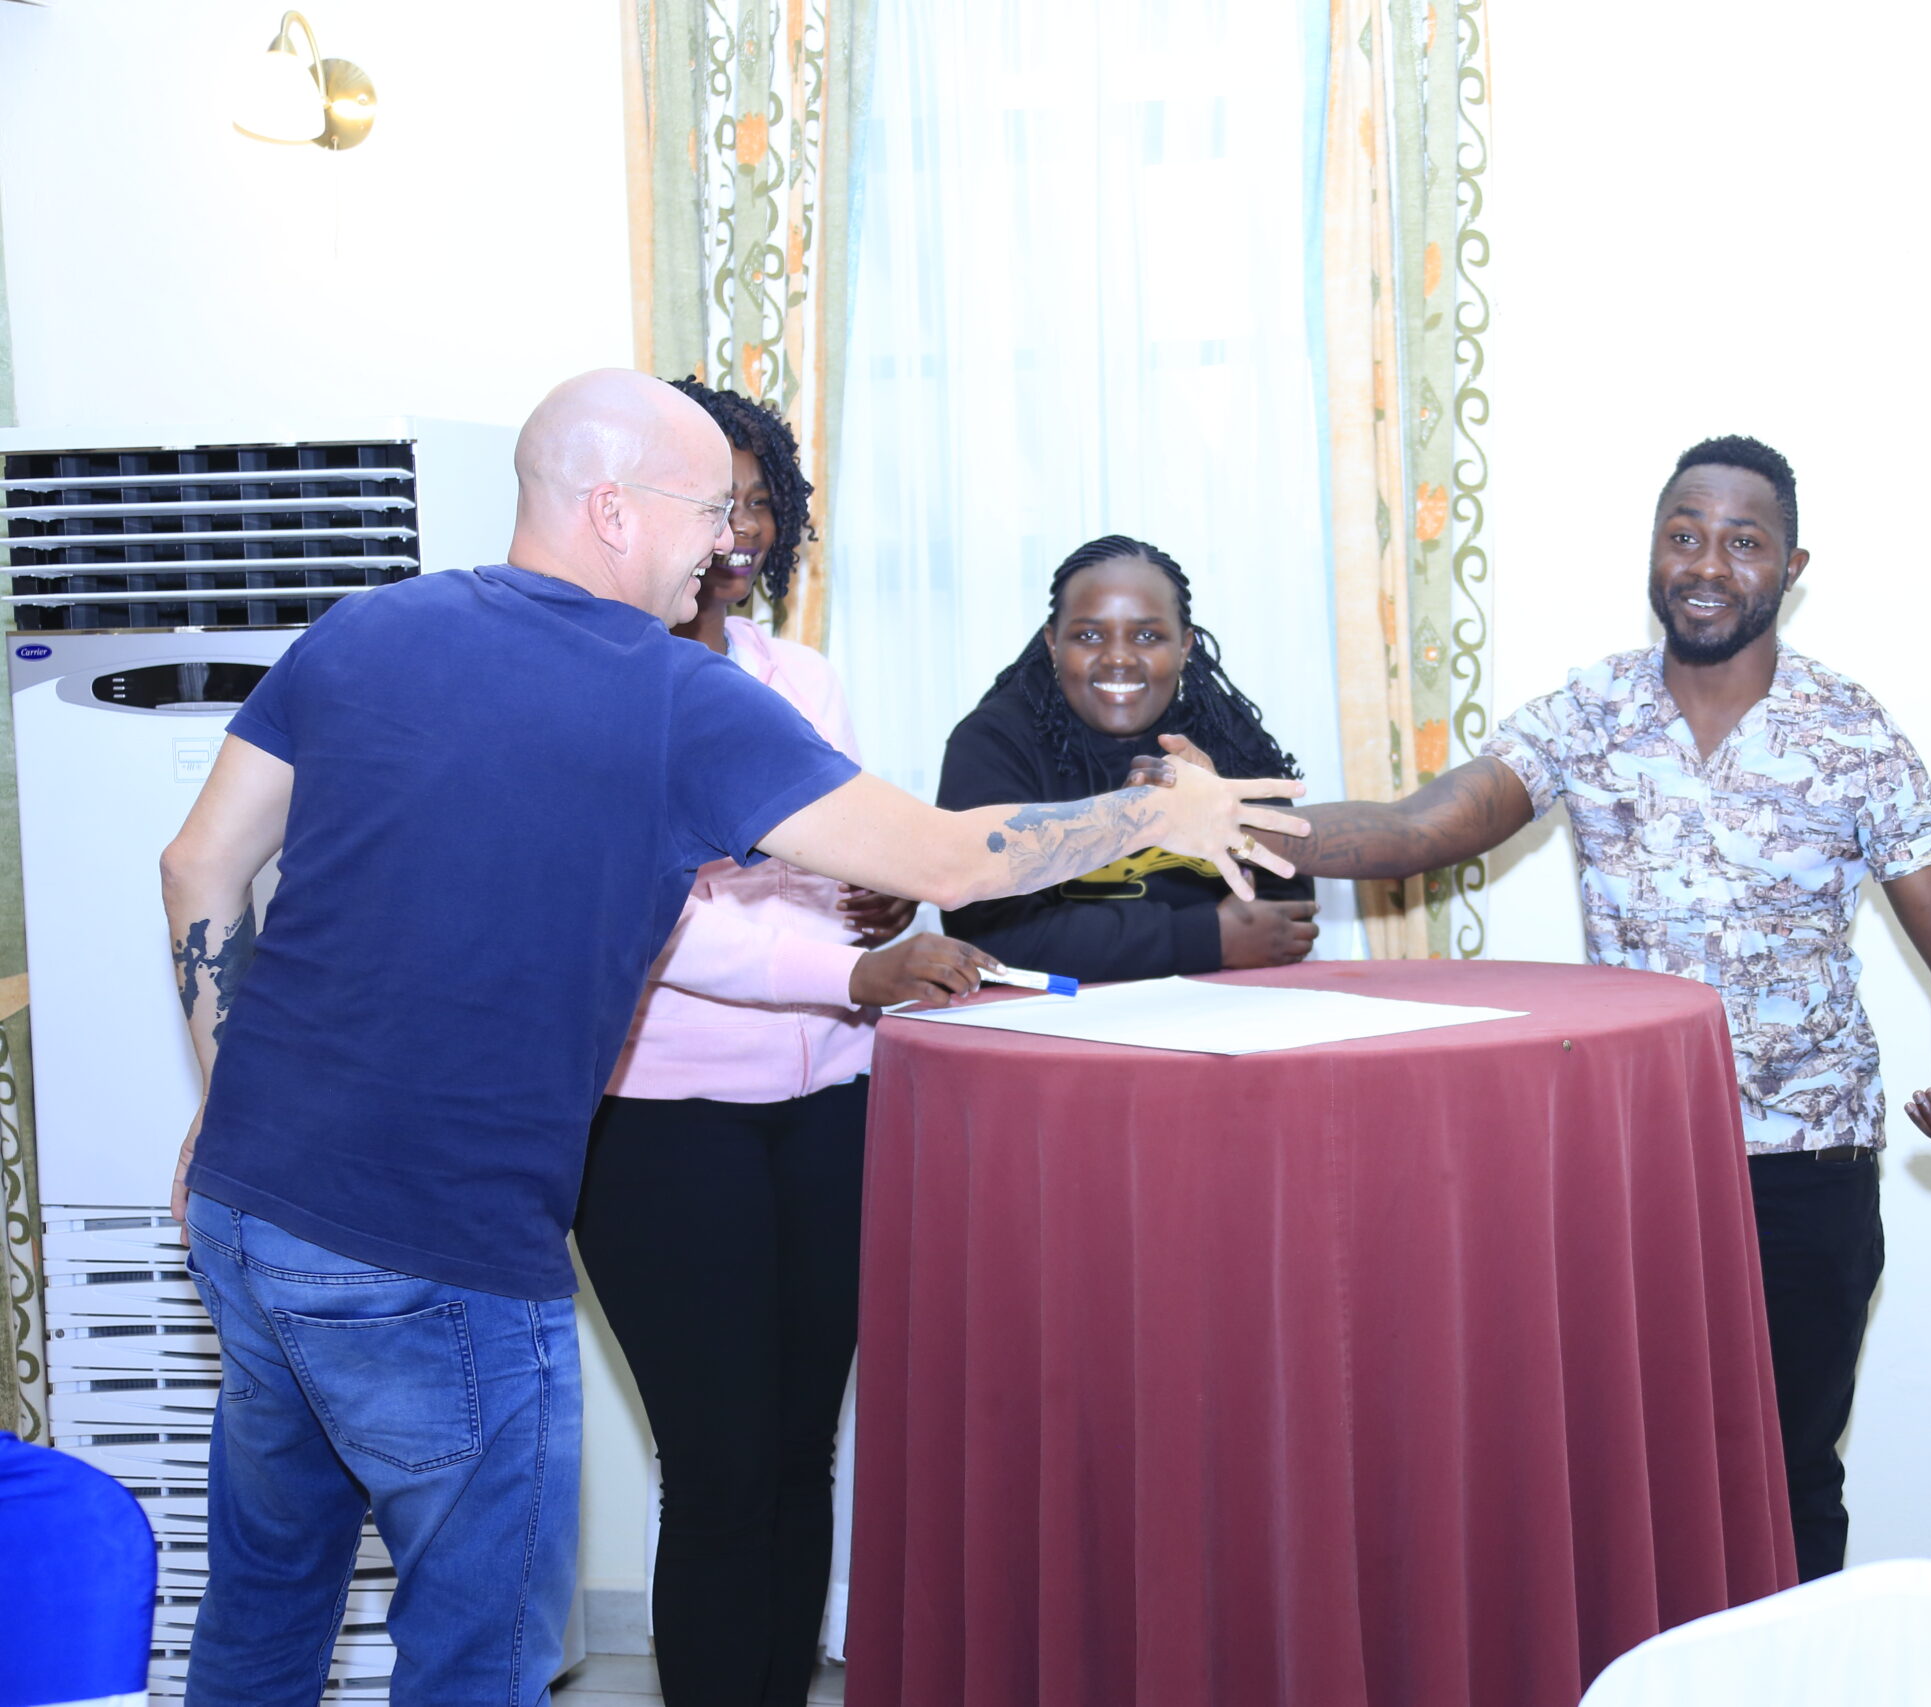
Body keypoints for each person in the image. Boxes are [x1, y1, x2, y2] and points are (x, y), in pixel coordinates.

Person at [158, 369, 1304, 1705]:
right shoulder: (667, 694)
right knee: (476, 1655)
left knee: (266, 1601)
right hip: (441, 1244)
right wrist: (1157, 814)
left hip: (251, 1201)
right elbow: (946, 855)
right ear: (611, 508)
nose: (723, 546)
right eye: (708, 511)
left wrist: (228, 1092)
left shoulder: (366, 627)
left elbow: (199, 867)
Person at [1170, 435, 1931, 1581]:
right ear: (1653, 552)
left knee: (1786, 1477)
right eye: (1683, 535)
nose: (1707, 564)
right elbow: (1423, 827)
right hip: (1629, 1163)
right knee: (1622, 1477)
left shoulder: (1852, 732)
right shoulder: (1590, 712)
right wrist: (1236, 820)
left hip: (1804, 1173)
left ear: (1790, 567)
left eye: (1742, 541)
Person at [572, 381, 923, 1705]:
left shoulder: (801, 678)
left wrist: (883, 896)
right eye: (715, 500)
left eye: (759, 501)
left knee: (796, 1457)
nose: (738, 529)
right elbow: (658, 923)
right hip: (661, 1121)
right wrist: (855, 961)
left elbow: (834, 862)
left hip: (830, 1101)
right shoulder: (600, 685)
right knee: (719, 1469)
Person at [937, 535, 1319, 980]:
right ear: (1053, 644)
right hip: (1051, 1014)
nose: (1118, 658)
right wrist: (1207, 937)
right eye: (1089, 635)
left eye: (1147, 636)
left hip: (1215, 1005)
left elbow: (1286, 918)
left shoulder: (1227, 740)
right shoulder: (995, 743)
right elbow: (990, 935)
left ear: (1184, 646)